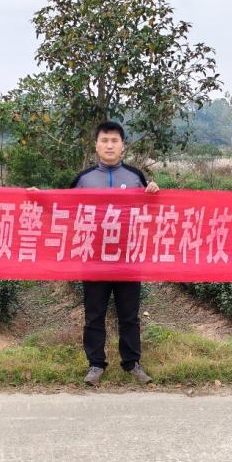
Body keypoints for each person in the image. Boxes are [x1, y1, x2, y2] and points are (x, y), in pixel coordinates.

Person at [72, 121, 160, 386]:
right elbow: (63, 207)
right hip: (94, 258)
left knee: (129, 315)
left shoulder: (135, 177)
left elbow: (151, 211)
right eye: (104, 140)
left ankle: (132, 363)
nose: (109, 145)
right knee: (94, 315)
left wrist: (153, 193)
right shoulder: (83, 180)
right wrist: (38, 198)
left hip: (128, 257)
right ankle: (96, 364)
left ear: (123, 146)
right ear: (96, 145)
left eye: (114, 141)